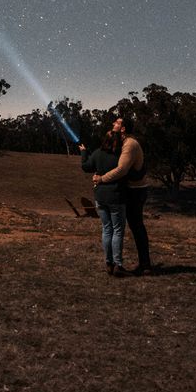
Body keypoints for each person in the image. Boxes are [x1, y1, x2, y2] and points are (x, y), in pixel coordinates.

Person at [94, 116, 152, 275]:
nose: (113, 124)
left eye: (117, 123)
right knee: (124, 227)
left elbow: (121, 170)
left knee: (136, 225)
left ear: (124, 128)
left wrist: (101, 179)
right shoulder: (120, 142)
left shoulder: (130, 144)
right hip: (127, 189)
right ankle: (120, 263)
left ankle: (145, 265)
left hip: (136, 190)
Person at [78, 129, 127, 277]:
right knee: (118, 230)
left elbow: (86, 167)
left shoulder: (98, 153)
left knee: (107, 229)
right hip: (116, 196)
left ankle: (108, 263)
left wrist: (84, 152)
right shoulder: (120, 156)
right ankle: (118, 264)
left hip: (100, 196)